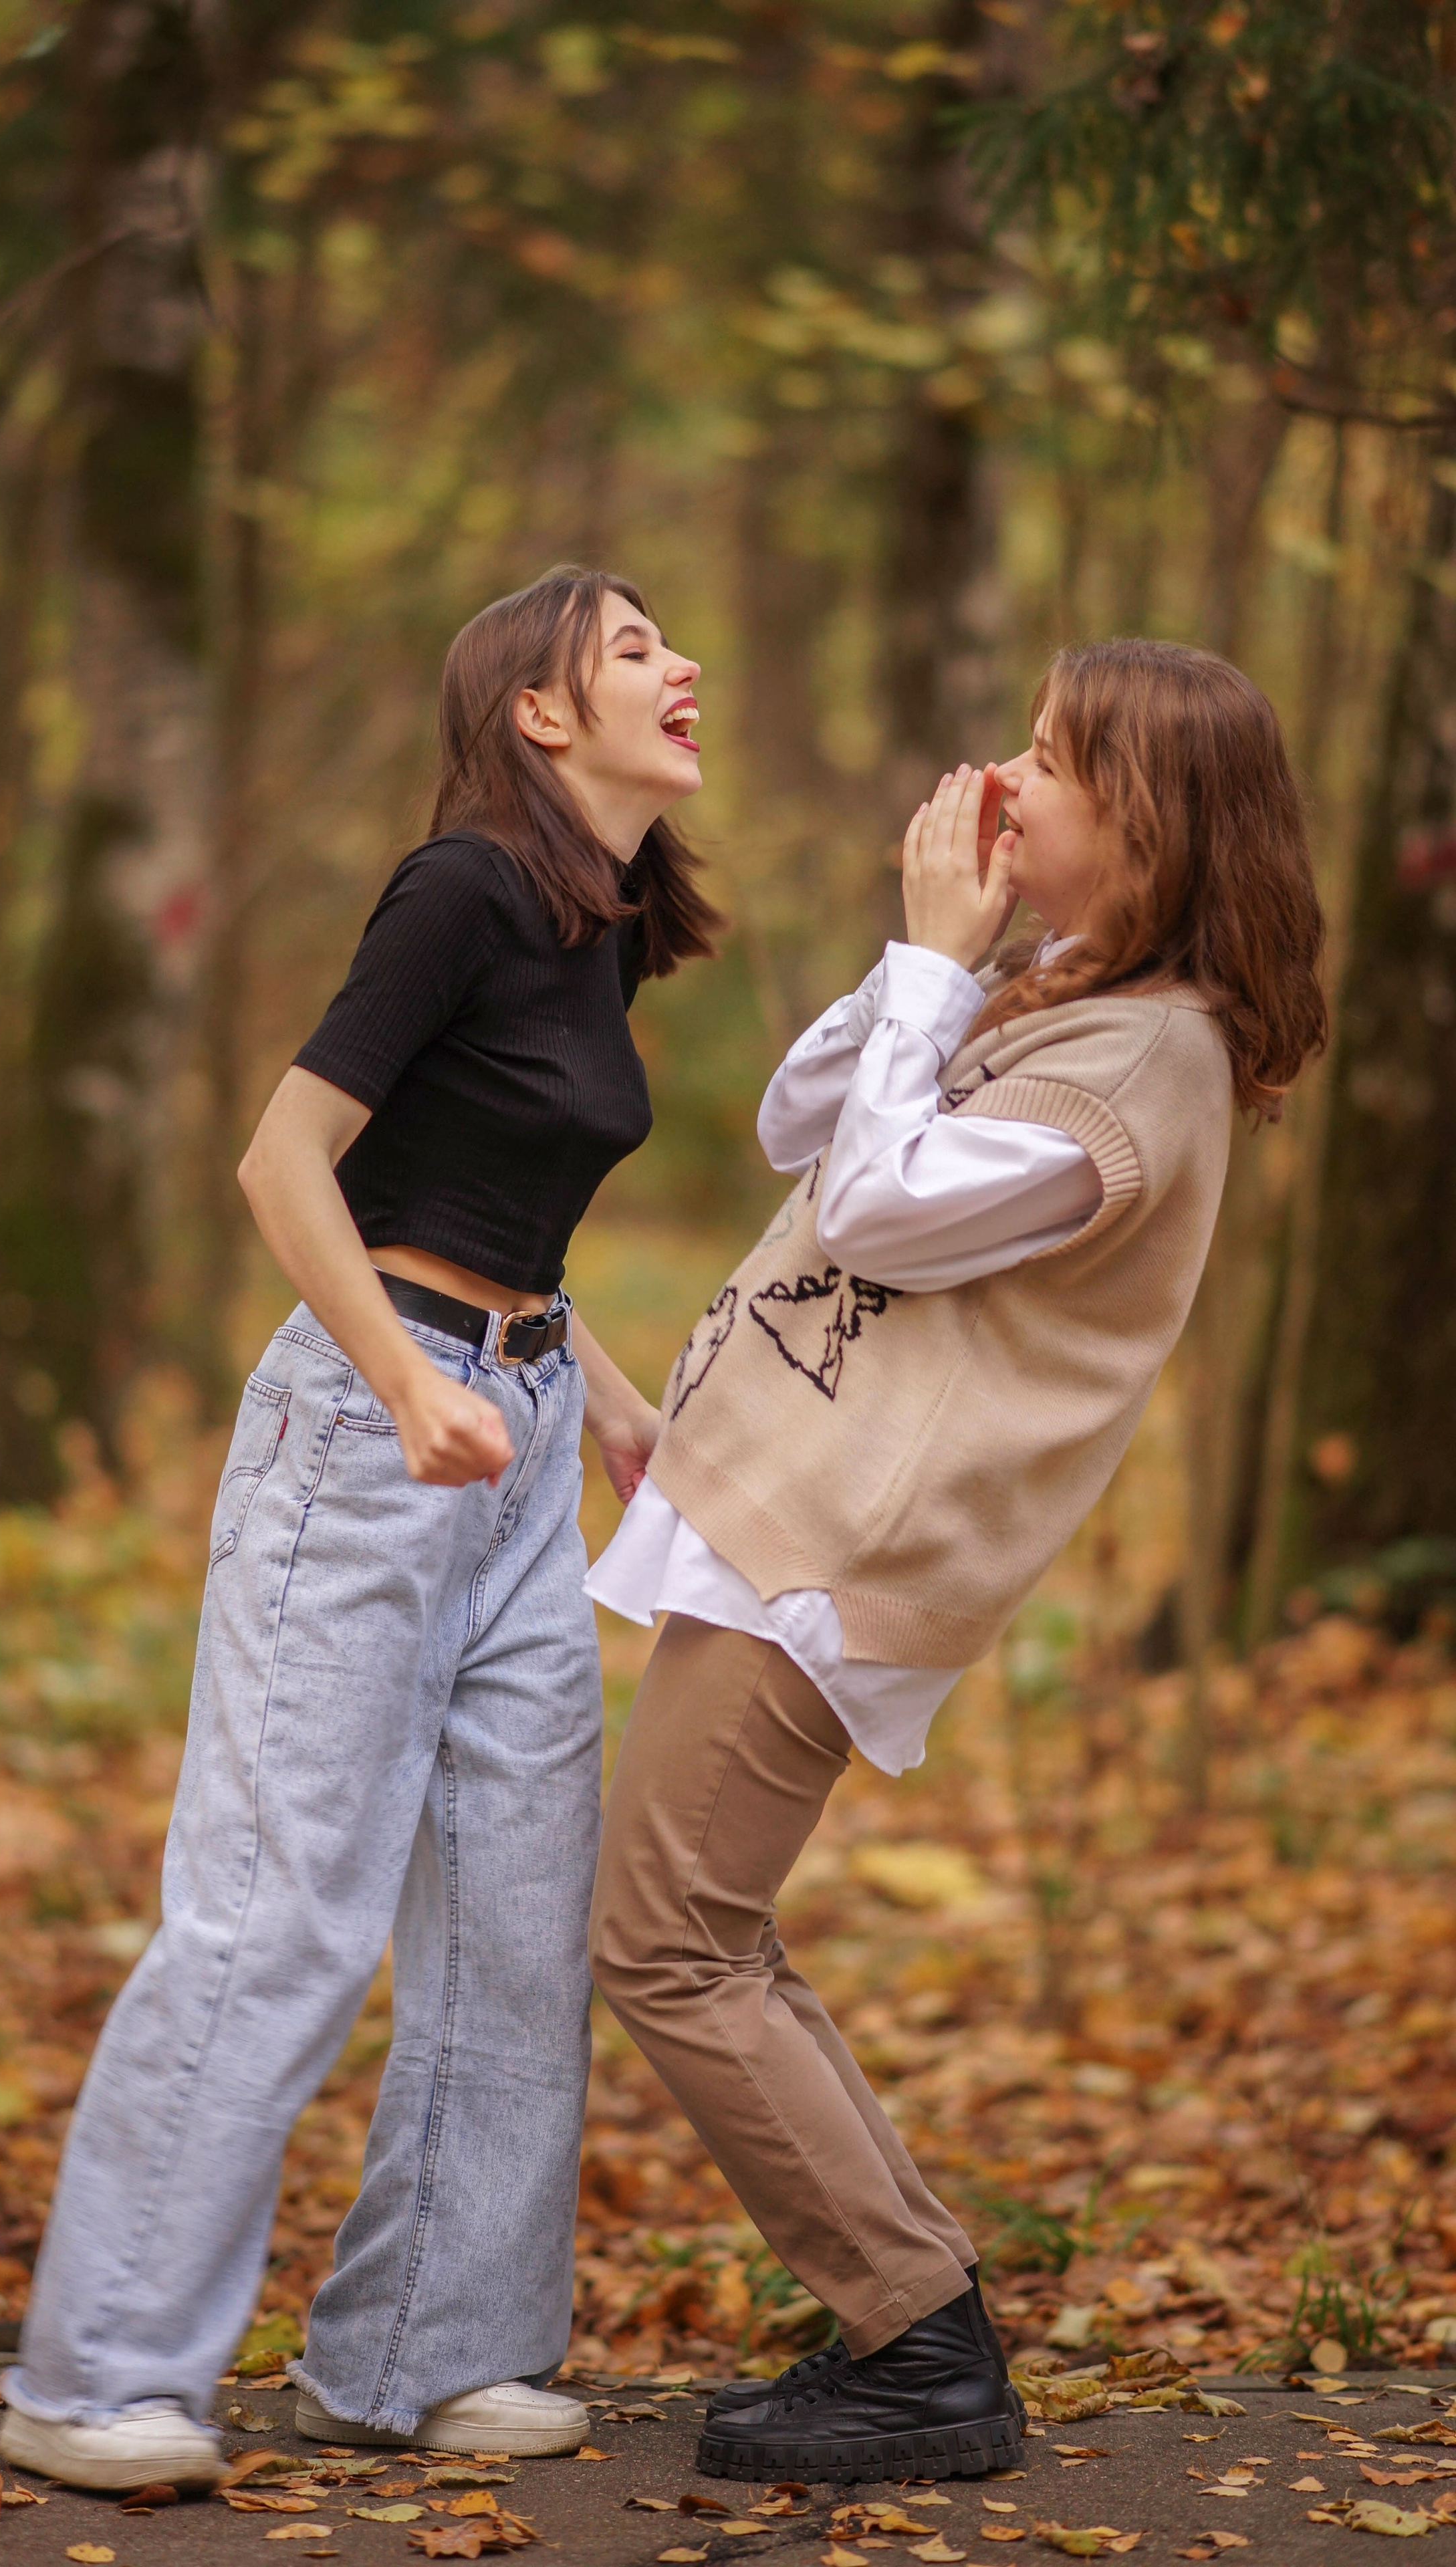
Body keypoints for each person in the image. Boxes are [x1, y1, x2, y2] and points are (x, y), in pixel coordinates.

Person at [0, 568, 721, 2493]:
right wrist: (408, 1388)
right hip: (373, 1428)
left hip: (517, 1420)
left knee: (509, 1911)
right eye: (637, 644)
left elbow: (488, 1187)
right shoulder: (466, 884)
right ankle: (101, 2376)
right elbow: (285, 1158)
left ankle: (426, 2352)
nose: (685, 667)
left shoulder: (600, 920)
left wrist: (605, 1384)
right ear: (540, 710)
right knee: (282, 1897)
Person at [586, 638, 1328, 2485]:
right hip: (792, 1513)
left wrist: (937, 968)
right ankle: (913, 2324)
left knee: (664, 1939)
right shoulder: (1058, 995)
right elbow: (792, 1125)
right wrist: (943, 959)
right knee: (712, 1930)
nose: (1009, 775)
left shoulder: (1145, 1071)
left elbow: (871, 1212)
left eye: (1056, 762)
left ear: (1147, 825)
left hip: (843, 1545)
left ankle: (917, 2347)